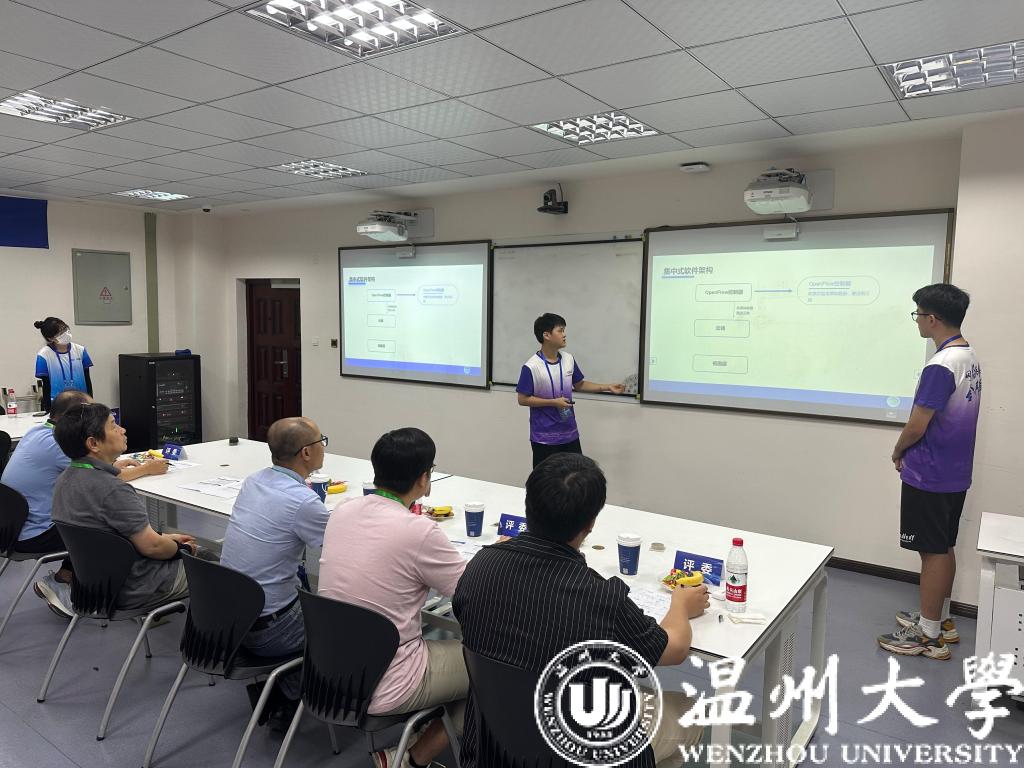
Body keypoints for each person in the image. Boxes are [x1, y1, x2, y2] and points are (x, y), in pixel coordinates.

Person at [452, 453, 709, 768]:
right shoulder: (601, 598)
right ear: (591, 523)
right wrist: (680, 605)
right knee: (688, 710)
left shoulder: (481, 565)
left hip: (493, 749)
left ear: (528, 505)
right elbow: (674, 650)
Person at [319, 428, 467, 768]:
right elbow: (472, 592)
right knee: (490, 666)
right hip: (387, 682)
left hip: (330, 671)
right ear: (424, 478)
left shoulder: (343, 510)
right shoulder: (419, 531)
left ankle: (413, 745)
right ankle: (413, 759)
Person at [878, 284, 981, 660]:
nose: (917, 321)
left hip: (931, 474)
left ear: (932, 318)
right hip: (954, 472)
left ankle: (928, 635)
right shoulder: (967, 355)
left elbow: (917, 425)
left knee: (932, 551)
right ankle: (939, 619)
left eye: (918, 315)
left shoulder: (941, 365)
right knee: (942, 545)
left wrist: (897, 450)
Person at [2, 390, 169, 618]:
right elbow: (104, 478)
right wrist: (148, 468)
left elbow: (92, 468)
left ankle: (66, 577)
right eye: (88, 412)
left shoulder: (38, 432)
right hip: (35, 533)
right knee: (102, 522)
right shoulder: (58, 445)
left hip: (12, 527)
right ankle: (67, 580)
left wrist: (113, 464)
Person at [219, 417, 330, 727]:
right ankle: (291, 695)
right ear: (306, 452)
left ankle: (284, 687)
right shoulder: (303, 501)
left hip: (227, 620)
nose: (324, 447)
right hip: (269, 631)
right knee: (344, 625)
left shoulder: (254, 481)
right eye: (321, 441)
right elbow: (345, 549)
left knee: (304, 592)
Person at [49, 401, 197, 613]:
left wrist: (164, 538)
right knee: (214, 563)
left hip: (91, 588)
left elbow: (118, 535)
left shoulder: (64, 480)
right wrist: (184, 549)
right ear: (94, 443)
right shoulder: (113, 490)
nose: (123, 430)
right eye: (113, 425)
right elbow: (153, 548)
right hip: (134, 588)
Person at [516, 312, 625, 468]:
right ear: (546, 335)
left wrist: (607, 387)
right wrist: (553, 402)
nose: (564, 335)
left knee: (576, 476)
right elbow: (522, 399)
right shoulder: (531, 366)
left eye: (564, 330)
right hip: (544, 438)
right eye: (560, 330)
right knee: (548, 480)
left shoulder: (568, 359)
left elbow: (579, 384)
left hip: (569, 433)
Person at [34, 317, 93, 411]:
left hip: (82, 402)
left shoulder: (80, 350)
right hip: (58, 405)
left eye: (65, 328)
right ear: (50, 338)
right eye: (60, 333)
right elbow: (46, 385)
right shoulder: (44, 355)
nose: (65, 333)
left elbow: (87, 379)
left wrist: (91, 402)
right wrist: (48, 409)